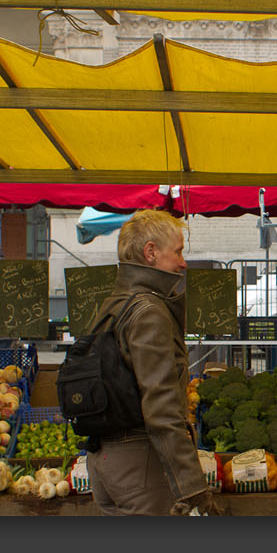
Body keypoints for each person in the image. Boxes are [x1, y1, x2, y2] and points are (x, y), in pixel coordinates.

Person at [88, 209, 224, 517]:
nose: (182, 262)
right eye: (177, 251)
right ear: (151, 252)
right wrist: (193, 488)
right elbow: (161, 406)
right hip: (140, 465)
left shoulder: (114, 304)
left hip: (105, 460)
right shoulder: (148, 311)